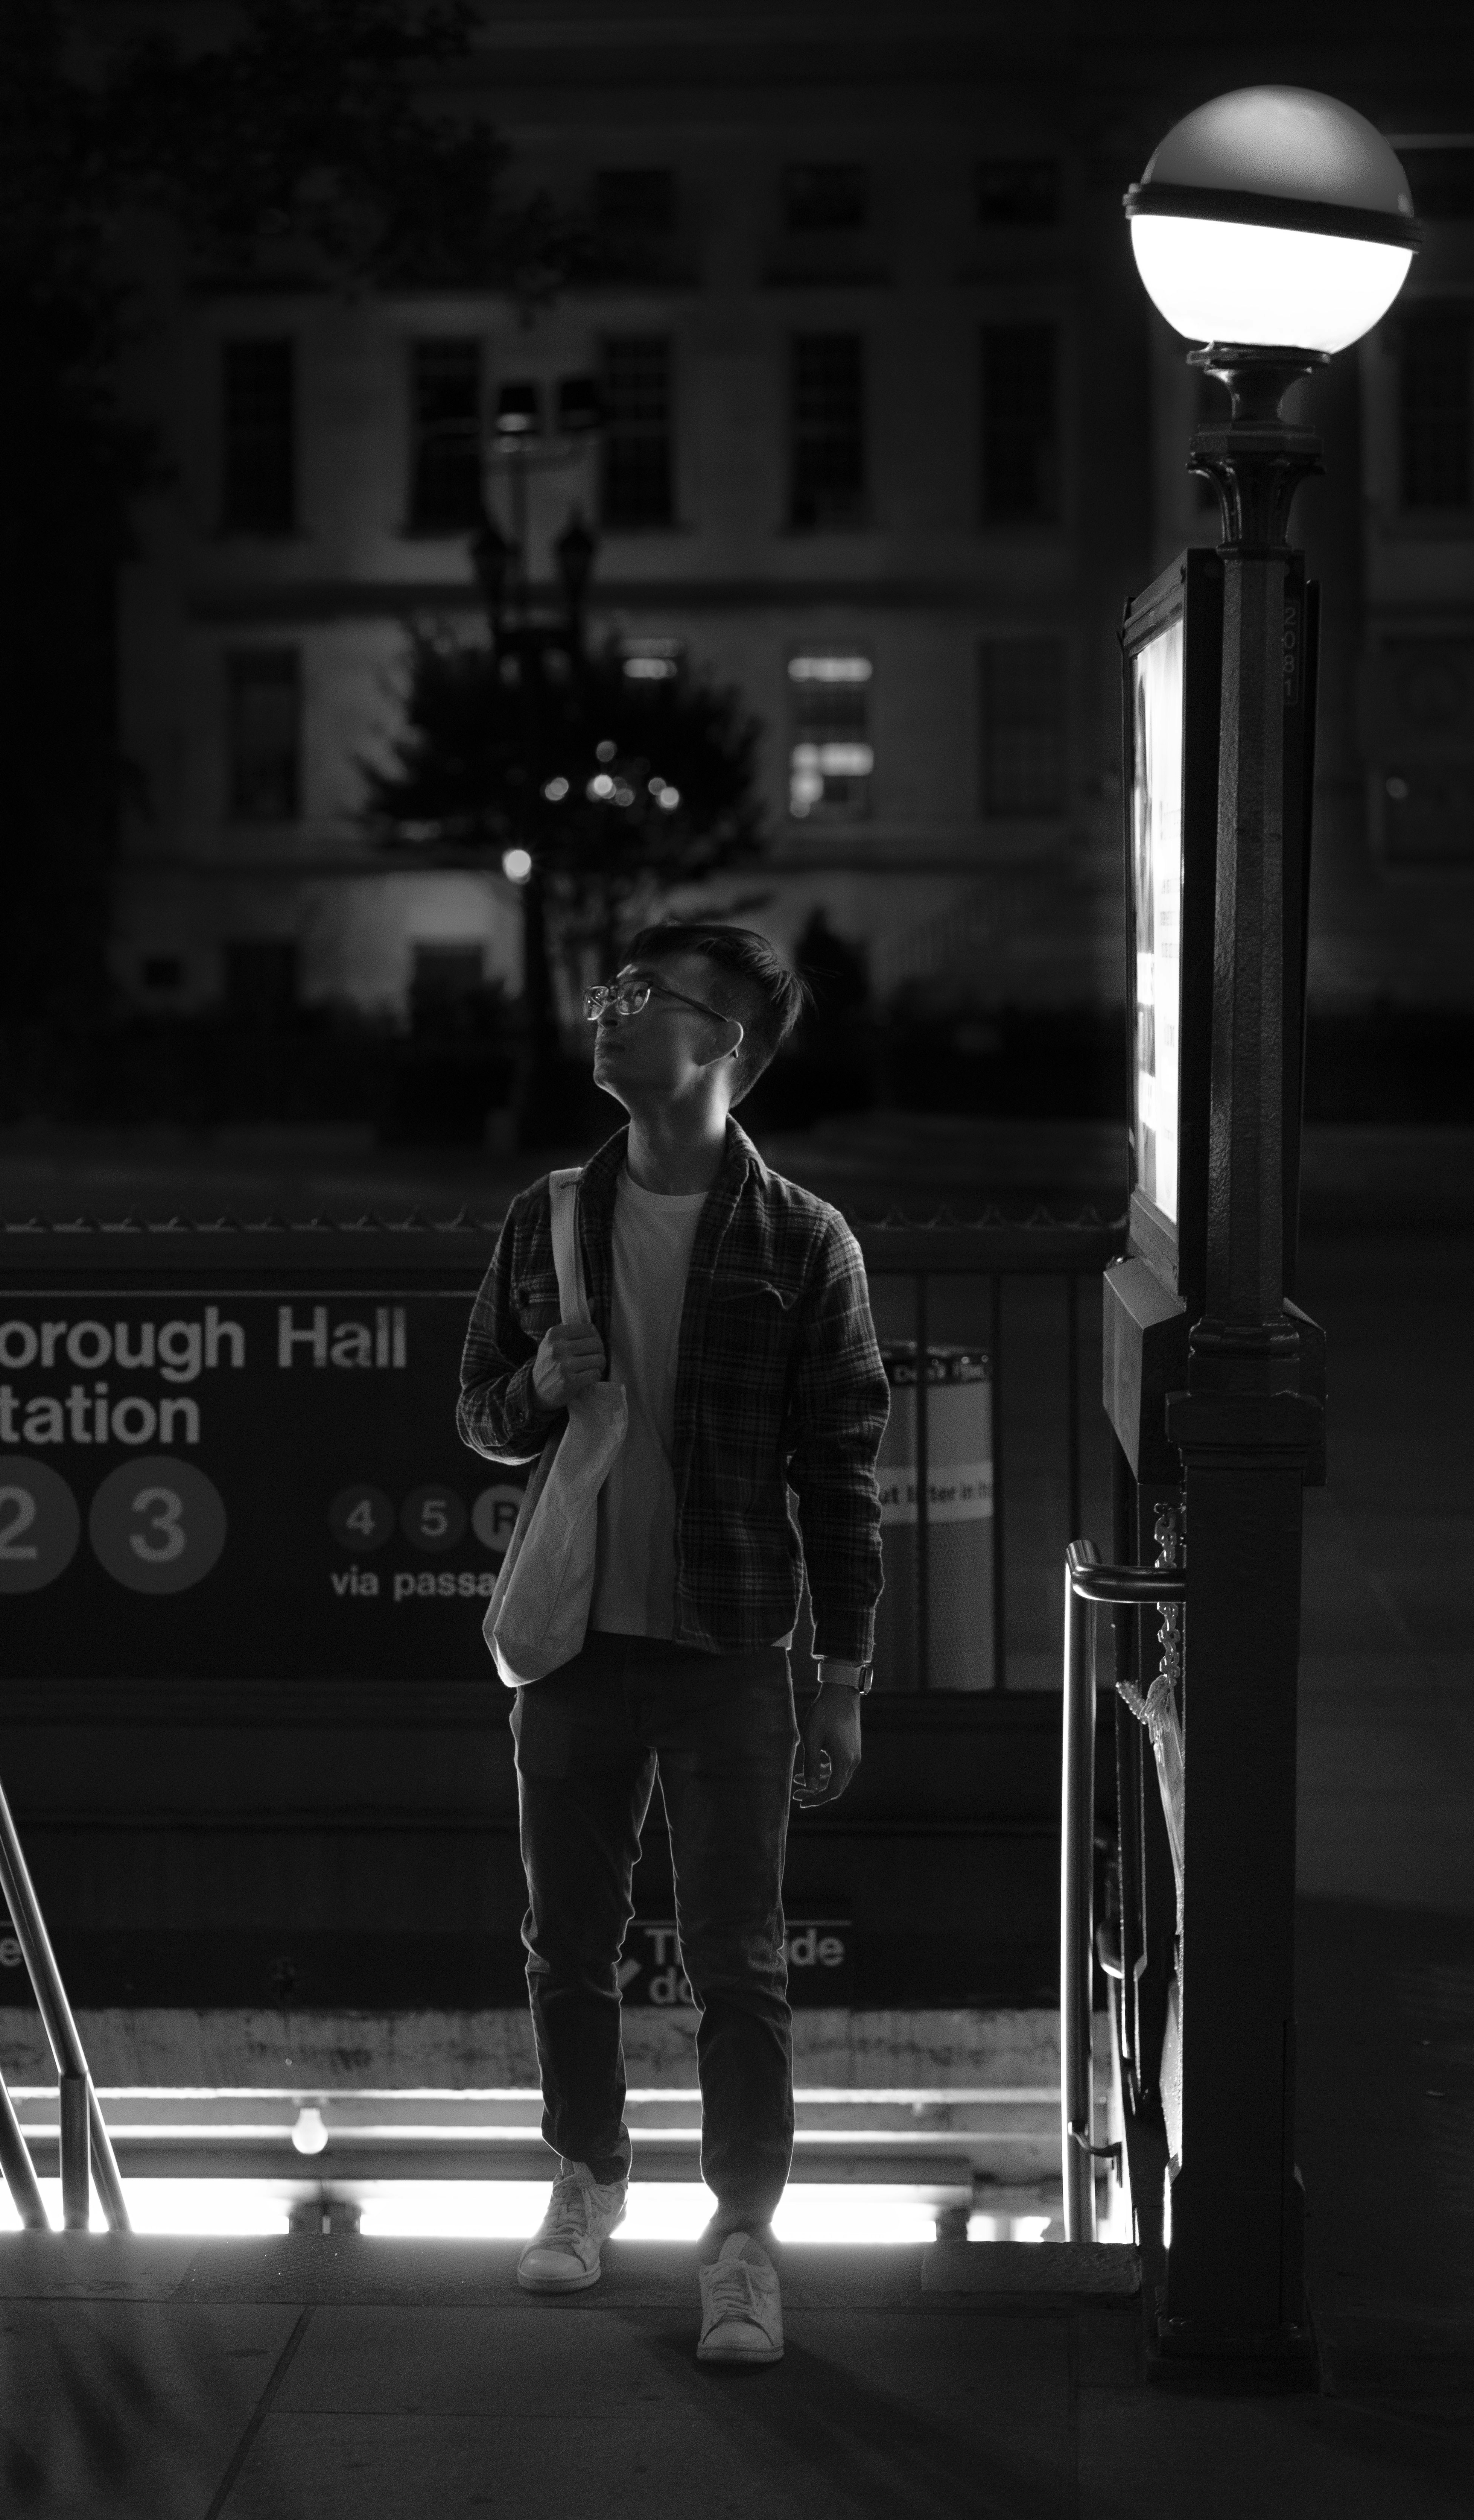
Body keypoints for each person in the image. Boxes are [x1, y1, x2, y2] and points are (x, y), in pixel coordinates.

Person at [458, 920, 889, 2366]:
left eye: (650, 999)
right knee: (564, 1943)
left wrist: (840, 1683)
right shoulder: (548, 1218)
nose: (612, 1011)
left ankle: (743, 2237)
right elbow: (478, 1416)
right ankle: (586, 2180)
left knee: (737, 1959)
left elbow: (840, 1475)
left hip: (728, 1649)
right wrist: (534, 1378)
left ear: (729, 1053)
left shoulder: (800, 1242)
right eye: (611, 990)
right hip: (573, 1640)